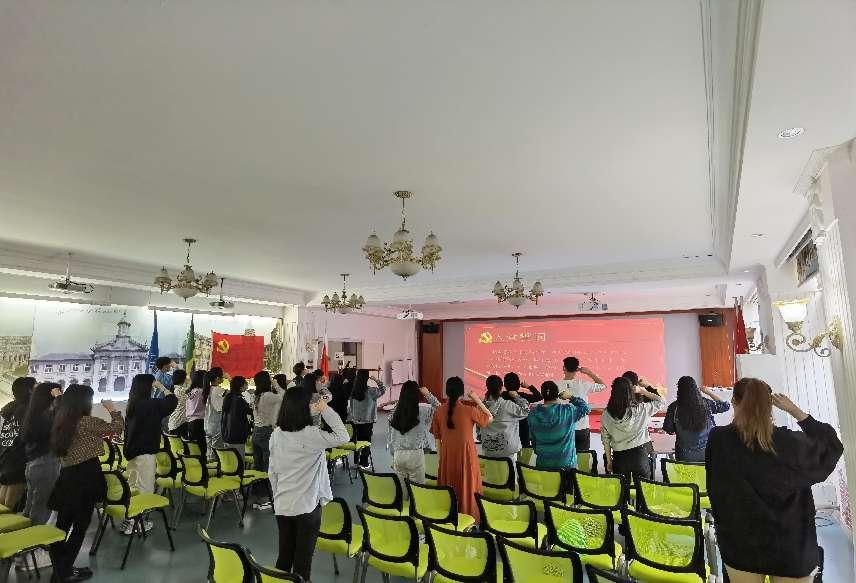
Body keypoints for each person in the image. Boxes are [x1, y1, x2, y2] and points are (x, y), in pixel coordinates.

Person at [707, 379, 843, 583]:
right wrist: (796, 412)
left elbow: (716, 489)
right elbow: (831, 447)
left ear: (734, 402)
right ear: (770, 406)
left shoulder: (718, 440)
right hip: (790, 546)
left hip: (740, 543)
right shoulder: (790, 444)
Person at [268, 384, 349, 581]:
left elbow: (273, 472)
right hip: (306, 507)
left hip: (283, 504)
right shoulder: (312, 435)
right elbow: (343, 435)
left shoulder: (276, 434)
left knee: (284, 558)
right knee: (302, 563)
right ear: (305, 408)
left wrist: (278, 495)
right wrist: (325, 409)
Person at [50, 385, 123, 583]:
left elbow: (60, 404)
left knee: (62, 525)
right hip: (87, 476)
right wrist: (112, 409)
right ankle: (64, 571)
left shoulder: (61, 419)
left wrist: (58, 397)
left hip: (67, 476)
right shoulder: (87, 422)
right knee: (80, 526)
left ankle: (60, 567)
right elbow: (116, 427)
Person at [430, 377, 493, 521]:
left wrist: (441, 461)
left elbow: (437, 439)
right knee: (468, 490)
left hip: (447, 458)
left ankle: (448, 520)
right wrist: (476, 400)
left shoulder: (439, 411)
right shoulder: (469, 410)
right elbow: (489, 418)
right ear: (461, 392)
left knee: (449, 491)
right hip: (467, 458)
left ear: (447, 392)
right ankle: (469, 521)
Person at [123, 374, 176, 534]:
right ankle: (136, 524)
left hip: (132, 451)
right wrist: (162, 387)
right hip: (145, 453)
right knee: (145, 488)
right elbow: (172, 401)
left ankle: (129, 519)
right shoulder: (151, 404)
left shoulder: (132, 404)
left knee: (133, 486)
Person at [600, 376, 664, 483]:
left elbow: (605, 440)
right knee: (643, 490)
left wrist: (609, 460)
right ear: (630, 392)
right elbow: (661, 401)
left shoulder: (606, 414)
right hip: (639, 455)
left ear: (613, 392)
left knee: (621, 491)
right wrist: (643, 391)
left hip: (619, 457)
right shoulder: (641, 409)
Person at [22, 382, 63, 526]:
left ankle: (24, 533)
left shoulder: (34, 414)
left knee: (31, 505)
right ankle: (34, 538)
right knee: (41, 508)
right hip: (46, 464)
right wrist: (59, 398)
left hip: (33, 463)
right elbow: (66, 415)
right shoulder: (48, 416)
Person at [663, 376, 730, 462]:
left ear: (679, 390)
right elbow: (725, 406)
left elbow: (669, 430)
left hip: (684, 457)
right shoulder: (706, 404)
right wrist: (708, 392)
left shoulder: (673, 407)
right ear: (696, 389)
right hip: (708, 454)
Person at [528, 380, 592, 469]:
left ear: (542, 395)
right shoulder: (568, 411)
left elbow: (533, 440)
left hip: (543, 465)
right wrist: (571, 397)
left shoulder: (532, 414)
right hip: (566, 466)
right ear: (557, 394)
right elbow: (586, 408)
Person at [387, 381, 440, 485]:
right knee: (417, 489)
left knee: (402, 489)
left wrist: (394, 455)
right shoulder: (423, 411)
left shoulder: (394, 413)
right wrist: (428, 394)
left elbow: (391, 438)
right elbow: (440, 408)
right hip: (415, 455)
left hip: (398, 454)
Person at [555, 357, 605, 451]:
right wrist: (589, 373)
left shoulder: (555, 385)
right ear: (577, 369)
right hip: (582, 428)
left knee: (565, 456)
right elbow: (603, 386)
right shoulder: (583, 384)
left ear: (564, 368)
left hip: (564, 428)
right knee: (583, 457)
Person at [0, 376, 35, 510]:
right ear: (30, 390)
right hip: (19, 457)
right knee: (9, 505)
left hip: (5, 456)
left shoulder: (8, 407)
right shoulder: (28, 409)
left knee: (3, 501)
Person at [480, 375, 530, 461]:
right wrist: (517, 397)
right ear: (501, 388)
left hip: (488, 449)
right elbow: (525, 410)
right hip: (508, 451)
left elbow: (479, 429)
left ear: (487, 387)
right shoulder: (508, 405)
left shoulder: (481, 407)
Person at [348, 369, 386, 469]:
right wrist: (376, 380)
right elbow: (383, 390)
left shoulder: (353, 391)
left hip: (355, 420)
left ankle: (356, 462)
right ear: (367, 378)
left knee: (357, 441)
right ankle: (364, 463)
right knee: (366, 442)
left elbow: (351, 406)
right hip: (368, 421)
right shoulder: (371, 391)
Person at [501, 372, 542, 450]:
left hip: (507, 429)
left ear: (505, 384)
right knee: (525, 449)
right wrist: (529, 387)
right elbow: (539, 397)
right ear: (518, 384)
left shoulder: (502, 396)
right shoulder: (523, 396)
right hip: (523, 429)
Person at [252, 371, 283, 474]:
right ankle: (267, 483)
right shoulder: (268, 396)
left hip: (256, 431)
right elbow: (285, 396)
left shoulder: (256, 395)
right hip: (266, 432)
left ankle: (258, 483)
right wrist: (276, 385)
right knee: (268, 463)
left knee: (258, 464)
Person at [221, 376, 254, 456]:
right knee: (239, 459)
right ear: (240, 386)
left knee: (231, 460)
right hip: (237, 435)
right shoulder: (239, 400)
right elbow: (250, 412)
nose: (247, 384)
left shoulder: (228, 397)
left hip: (226, 434)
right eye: (245, 383)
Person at [185, 370, 209, 457]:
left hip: (191, 422)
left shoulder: (191, 391)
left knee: (194, 450)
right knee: (201, 450)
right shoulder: (202, 391)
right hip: (199, 422)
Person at [203, 367, 226, 452]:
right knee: (217, 452)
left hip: (207, 424)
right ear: (217, 378)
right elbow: (235, 391)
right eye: (222, 376)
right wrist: (230, 378)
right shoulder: (218, 389)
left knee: (209, 451)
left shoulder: (208, 389)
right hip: (216, 425)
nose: (223, 378)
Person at [166, 369, 189, 436]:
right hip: (179, 423)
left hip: (174, 422)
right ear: (183, 379)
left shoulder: (175, 389)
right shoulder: (181, 390)